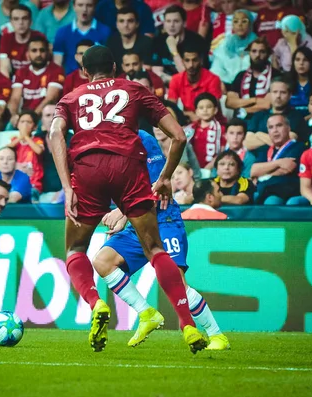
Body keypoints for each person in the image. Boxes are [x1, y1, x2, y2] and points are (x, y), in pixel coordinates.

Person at [50, 45, 207, 353]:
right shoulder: (134, 89)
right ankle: (188, 326)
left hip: (88, 169)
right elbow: (179, 136)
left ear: (83, 72)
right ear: (115, 66)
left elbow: (56, 133)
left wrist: (68, 188)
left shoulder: (69, 98)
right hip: (128, 168)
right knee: (154, 249)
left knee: (76, 249)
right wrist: (163, 179)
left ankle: (96, 304)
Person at [92, 130, 230, 350]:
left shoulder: (143, 140)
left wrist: (120, 211)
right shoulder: (105, 145)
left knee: (177, 282)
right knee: (102, 261)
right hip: (138, 223)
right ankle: (146, 313)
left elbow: (158, 187)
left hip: (164, 221)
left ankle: (216, 336)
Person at [251, 114, 305, 205]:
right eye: (271, 127)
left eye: (279, 125)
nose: (275, 130)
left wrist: (262, 174)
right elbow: (253, 171)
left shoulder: (299, 147)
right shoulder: (265, 150)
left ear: (288, 128)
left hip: (284, 192)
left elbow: (287, 168)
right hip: (264, 191)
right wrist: (279, 162)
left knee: (271, 202)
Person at [9, 37, 65, 121]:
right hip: (24, 116)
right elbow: (15, 98)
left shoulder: (56, 70)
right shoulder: (21, 72)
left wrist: (32, 118)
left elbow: (50, 98)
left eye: (42, 50)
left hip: (45, 116)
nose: (38, 54)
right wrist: (14, 115)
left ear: (48, 52)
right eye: (34, 50)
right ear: (27, 54)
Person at [151, 5, 207, 84]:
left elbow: (189, 76)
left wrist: (174, 51)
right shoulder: (158, 41)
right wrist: (174, 81)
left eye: (176, 21)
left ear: (184, 23)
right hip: (168, 84)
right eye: (168, 21)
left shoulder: (196, 41)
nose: (171, 25)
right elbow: (157, 72)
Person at [246, 77, 306, 150]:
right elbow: (247, 143)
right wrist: (276, 140)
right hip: (259, 160)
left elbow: (287, 141)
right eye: (275, 92)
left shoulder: (296, 117)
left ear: (290, 95)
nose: (278, 96)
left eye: (283, 92)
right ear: (270, 94)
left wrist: (259, 135)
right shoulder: (259, 115)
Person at [52, 0, 111, 74]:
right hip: (70, 82)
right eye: (80, 5)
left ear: (95, 7)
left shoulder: (105, 31)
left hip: (96, 81)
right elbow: (57, 64)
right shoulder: (62, 32)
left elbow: (107, 63)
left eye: (89, 5)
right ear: (74, 6)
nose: (84, 9)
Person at [225, 37, 277, 119]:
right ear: (249, 53)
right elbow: (230, 102)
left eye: (262, 52)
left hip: (267, 119)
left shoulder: (275, 75)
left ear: (268, 54)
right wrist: (254, 100)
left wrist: (243, 110)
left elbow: (266, 104)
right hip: (242, 121)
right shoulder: (241, 76)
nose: (257, 55)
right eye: (254, 51)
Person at [167, 44, 222, 122]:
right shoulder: (176, 79)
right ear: (182, 61)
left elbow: (212, 110)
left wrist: (195, 116)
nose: (191, 65)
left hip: (212, 122)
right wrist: (189, 114)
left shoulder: (213, 79)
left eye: (195, 60)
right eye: (187, 60)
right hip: (189, 122)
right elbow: (170, 108)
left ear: (201, 60)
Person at [210, 9, 257, 85]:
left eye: (244, 21)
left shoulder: (258, 44)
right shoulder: (225, 44)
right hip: (227, 85)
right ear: (232, 25)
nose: (240, 25)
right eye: (236, 21)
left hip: (252, 84)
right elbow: (217, 69)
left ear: (250, 24)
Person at [0, 5, 46, 78]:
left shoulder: (39, 37)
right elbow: (4, 67)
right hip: (14, 80)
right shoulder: (6, 38)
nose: (21, 23)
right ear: (11, 22)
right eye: (16, 19)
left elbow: (43, 66)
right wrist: (7, 86)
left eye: (24, 18)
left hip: (35, 80)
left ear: (31, 21)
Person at [7, 110, 44, 198]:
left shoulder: (37, 140)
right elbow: (6, 149)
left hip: (33, 183)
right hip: (16, 182)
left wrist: (26, 136)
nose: (25, 125)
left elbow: (39, 151)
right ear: (17, 125)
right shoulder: (14, 140)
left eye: (29, 122)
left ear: (34, 127)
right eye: (22, 122)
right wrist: (21, 137)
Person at [184, 93, 225, 168]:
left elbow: (222, 151)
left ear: (215, 110)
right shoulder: (190, 129)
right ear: (196, 111)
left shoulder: (221, 129)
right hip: (194, 167)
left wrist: (210, 166)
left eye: (209, 107)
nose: (205, 110)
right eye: (201, 108)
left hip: (213, 167)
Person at [288, 47, 312, 112]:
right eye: (297, 59)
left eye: (305, 60)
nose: (301, 63)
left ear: (311, 63)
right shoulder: (287, 83)